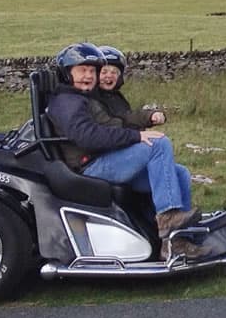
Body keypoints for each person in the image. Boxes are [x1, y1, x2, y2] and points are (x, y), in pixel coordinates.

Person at [45, 42, 204, 259]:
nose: (88, 76)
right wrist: (136, 136)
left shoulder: (83, 98)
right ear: (67, 74)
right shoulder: (67, 102)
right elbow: (88, 137)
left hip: (103, 159)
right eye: (82, 70)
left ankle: (178, 242)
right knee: (159, 144)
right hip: (90, 166)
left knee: (180, 173)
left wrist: (140, 126)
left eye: (92, 71)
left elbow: (113, 122)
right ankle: (168, 217)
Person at [92, 44, 192, 210]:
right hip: (106, 159)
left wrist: (149, 117)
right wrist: (140, 129)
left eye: (114, 72)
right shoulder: (93, 99)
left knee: (181, 174)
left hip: (120, 156)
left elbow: (127, 116)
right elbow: (113, 124)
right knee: (159, 144)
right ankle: (169, 213)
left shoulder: (115, 98)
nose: (109, 76)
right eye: (104, 72)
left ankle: (184, 223)